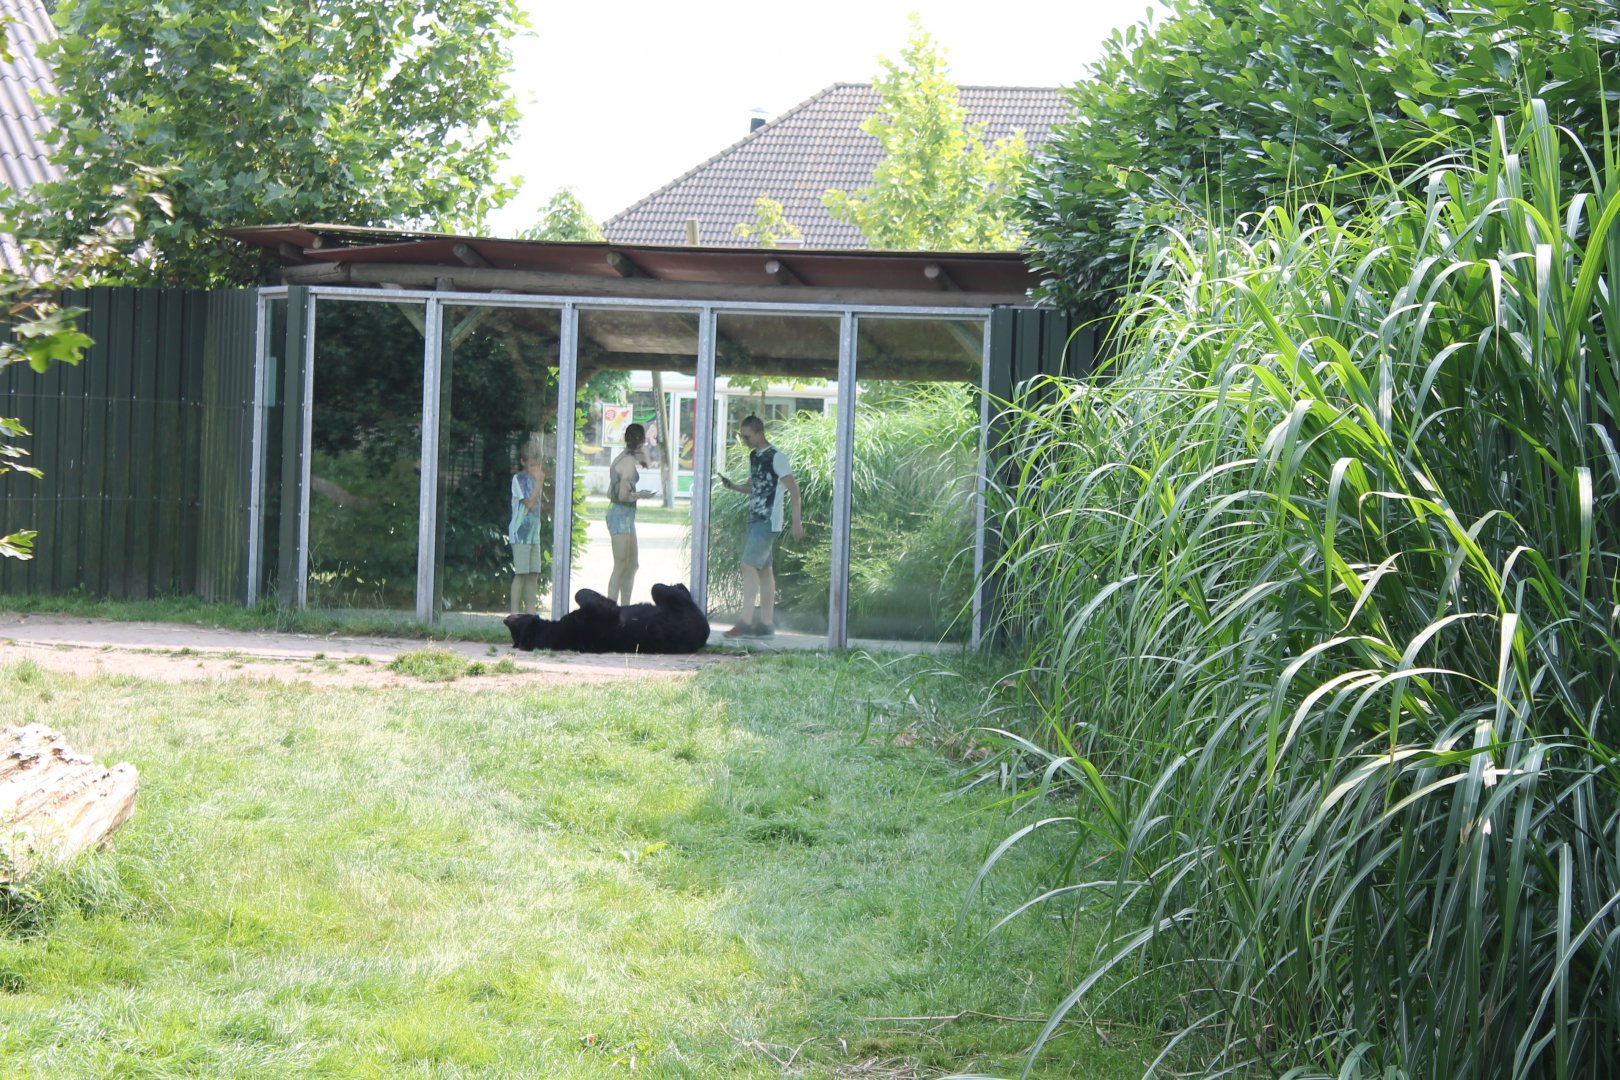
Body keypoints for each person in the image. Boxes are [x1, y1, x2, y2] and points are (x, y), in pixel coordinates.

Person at [717, 415, 802, 638]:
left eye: (747, 436)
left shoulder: (777, 457)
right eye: (742, 436)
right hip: (755, 518)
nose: (744, 440)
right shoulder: (754, 456)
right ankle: (766, 624)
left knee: (748, 565)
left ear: (759, 433)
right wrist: (733, 486)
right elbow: (754, 487)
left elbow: (794, 490)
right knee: (764, 571)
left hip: (768, 520)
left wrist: (796, 522)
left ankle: (745, 622)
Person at [606, 422, 656, 605]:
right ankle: (612, 609)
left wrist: (644, 453)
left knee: (632, 565)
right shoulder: (627, 462)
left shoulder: (624, 457)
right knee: (620, 565)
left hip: (624, 516)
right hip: (620, 515)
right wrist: (641, 495)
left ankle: (625, 607)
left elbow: (610, 492)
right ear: (641, 441)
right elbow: (622, 496)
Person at [508, 440, 548, 613]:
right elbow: (529, 503)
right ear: (523, 462)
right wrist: (539, 483)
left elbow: (542, 505)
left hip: (533, 534)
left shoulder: (534, 478)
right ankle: (515, 613)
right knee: (521, 574)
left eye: (537, 465)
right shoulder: (519, 479)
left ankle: (531, 613)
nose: (535, 469)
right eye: (531, 465)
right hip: (520, 534)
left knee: (533, 574)